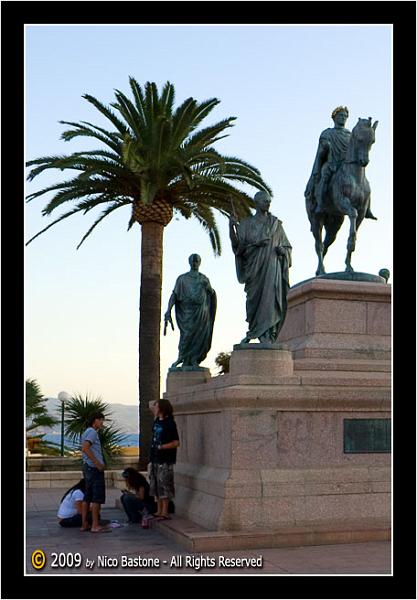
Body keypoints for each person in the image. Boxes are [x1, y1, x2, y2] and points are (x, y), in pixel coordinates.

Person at [229, 191, 292, 344]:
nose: (268, 204)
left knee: (270, 299)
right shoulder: (245, 224)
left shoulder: (276, 224)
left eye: (269, 201)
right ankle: (255, 331)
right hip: (254, 270)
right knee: (253, 301)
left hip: (272, 268)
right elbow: (238, 247)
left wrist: (283, 251)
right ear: (256, 203)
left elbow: (287, 246)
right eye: (265, 201)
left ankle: (268, 335)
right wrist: (231, 228)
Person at [305, 106, 376, 218]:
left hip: (346, 164)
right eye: (340, 115)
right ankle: (320, 202)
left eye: (345, 116)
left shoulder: (350, 134)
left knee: (364, 181)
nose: (343, 118)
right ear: (334, 118)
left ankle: (367, 208)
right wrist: (325, 147)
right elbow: (321, 151)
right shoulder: (327, 133)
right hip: (332, 164)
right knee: (324, 176)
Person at [164, 254, 217, 370]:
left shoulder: (204, 279)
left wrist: (209, 288)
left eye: (197, 261)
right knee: (186, 336)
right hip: (187, 313)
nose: (195, 263)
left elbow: (212, 294)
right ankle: (182, 357)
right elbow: (174, 295)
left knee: (200, 336)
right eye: (193, 261)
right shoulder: (182, 279)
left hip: (201, 313)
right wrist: (168, 310)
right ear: (189, 262)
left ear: (200, 262)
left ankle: (194, 360)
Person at [149, 399, 180, 520]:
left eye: (157, 407)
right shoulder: (157, 421)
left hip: (165, 459)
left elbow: (176, 442)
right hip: (155, 457)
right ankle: (158, 509)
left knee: (164, 484)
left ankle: (165, 511)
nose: (155, 409)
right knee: (155, 484)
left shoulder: (170, 423)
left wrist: (162, 447)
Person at [80, 412, 110, 533]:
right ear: (94, 420)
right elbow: (85, 448)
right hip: (93, 468)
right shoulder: (92, 432)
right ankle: (95, 525)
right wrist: (97, 463)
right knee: (97, 497)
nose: (102, 422)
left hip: (87, 467)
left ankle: (85, 524)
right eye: (100, 420)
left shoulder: (87, 431)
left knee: (87, 497)